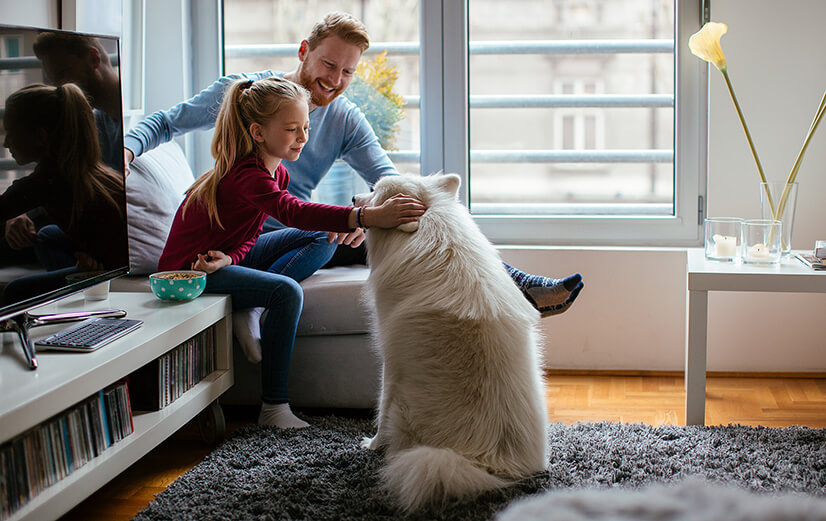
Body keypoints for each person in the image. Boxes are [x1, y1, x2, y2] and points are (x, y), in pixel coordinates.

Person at [125, 11, 583, 317]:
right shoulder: (251, 97)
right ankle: (259, 305)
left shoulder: (345, 117)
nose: (335, 80)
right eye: (328, 64)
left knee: (416, 220)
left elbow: (388, 180)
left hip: (300, 229)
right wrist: (126, 151)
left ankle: (515, 284)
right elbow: (167, 121)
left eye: (347, 72)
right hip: (259, 230)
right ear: (304, 51)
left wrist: (368, 215)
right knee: (332, 233)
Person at [157, 76, 425, 428]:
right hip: (189, 272)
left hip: (218, 259)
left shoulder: (277, 172)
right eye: (291, 129)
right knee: (285, 292)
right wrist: (366, 216)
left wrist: (233, 259)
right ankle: (273, 408)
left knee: (323, 235)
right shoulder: (246, 176)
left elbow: (248, 237)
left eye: (306, 127)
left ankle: (251, 301)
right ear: (257, 132)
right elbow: (292, 211)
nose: (303, 138)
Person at [2, 32, 125, 265]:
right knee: (45, 236)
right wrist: (21, 213)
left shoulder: (134, 130)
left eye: (62, 74)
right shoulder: (84, 126)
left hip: (122, 248)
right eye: (53, 79)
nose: (59, 87)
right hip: (99, 232)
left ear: (93, 59)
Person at [0, 83, 127, 303]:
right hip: (112, 257)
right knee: (47, 234)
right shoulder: (85, 172)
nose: (5, 142)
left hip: (111, 274)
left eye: (11, 133)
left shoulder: (46, 182)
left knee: (15, 290)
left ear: (40, 136)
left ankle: (74, 295)